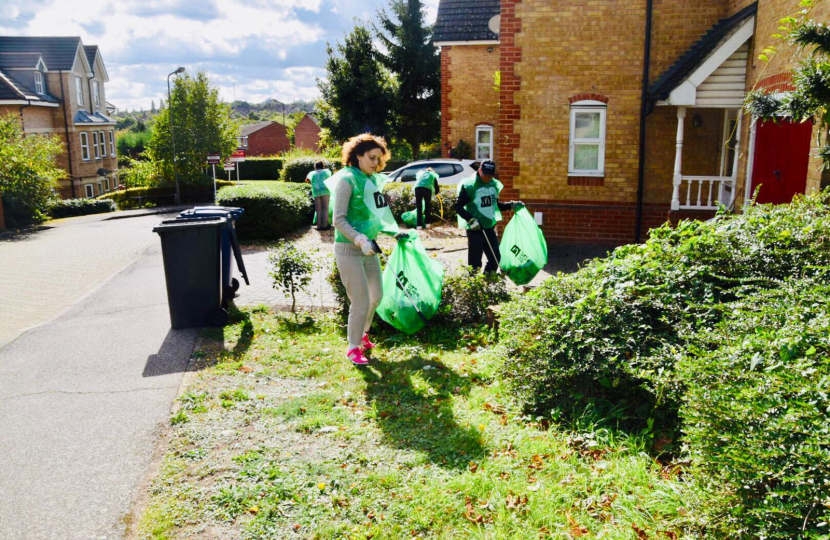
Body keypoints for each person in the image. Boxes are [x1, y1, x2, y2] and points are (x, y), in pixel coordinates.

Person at [332, 133, 407, 365]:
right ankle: (353, 348)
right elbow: (338, 220)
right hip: (349, 249)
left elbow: (376, 217)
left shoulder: (372, 181)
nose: (376, 163)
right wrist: (360, 240)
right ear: (357, 156)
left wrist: (394, 233)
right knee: (361, 301)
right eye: (372, 158)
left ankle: (362, 335)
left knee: (376, 296)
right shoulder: (346, 180)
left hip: (370, 249)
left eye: (379, 159)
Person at [454, 160, 522, 273]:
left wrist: (512, 205)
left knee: (495, 258)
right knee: (475, 264)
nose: (487, 178)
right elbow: (458, 206)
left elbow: (496, 205)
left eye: (490, 175)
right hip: (475, 229)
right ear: (480, 171)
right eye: (485, 175)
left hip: (489, 228)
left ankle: (488, 281)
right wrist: (470, 219)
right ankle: (474, 287)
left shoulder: (493, 185)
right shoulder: (470, 186)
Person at [306, 161, 332, 230]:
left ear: (315, 166)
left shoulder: (312, 173)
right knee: (325, 208)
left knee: (318, 209)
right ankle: (325, 225)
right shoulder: (327, 172)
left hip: (316, 192)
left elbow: (307, 180)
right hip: (325, 191)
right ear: (322, 166)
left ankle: (319, 226)